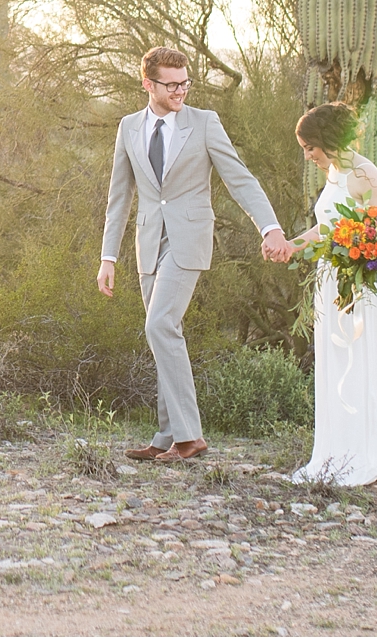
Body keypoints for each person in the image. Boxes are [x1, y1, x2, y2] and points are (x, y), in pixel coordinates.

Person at [98, 47, 294, 461]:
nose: (180, 91)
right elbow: (119, 197)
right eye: (171, 84)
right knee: (163, 334)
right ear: (148, 84)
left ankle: (189, 437)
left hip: (188, 240)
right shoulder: (129, 127)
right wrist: (108, 257)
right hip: (148, 242)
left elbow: (239, 179)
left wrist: (270, 226)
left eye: (185, 82)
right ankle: (166, 435)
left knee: (160, 325)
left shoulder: (205, 123)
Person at [286, 101, 377, 487]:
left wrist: (353, 258)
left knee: (368, 365)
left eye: (310, 147)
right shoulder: (335, 172)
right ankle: (342, 452)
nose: (308, 156)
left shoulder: (367, 175)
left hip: (364, 285)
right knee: (338, 366)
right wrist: (291, 246)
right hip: (333, 283)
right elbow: (325, 227)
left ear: (327, 141)